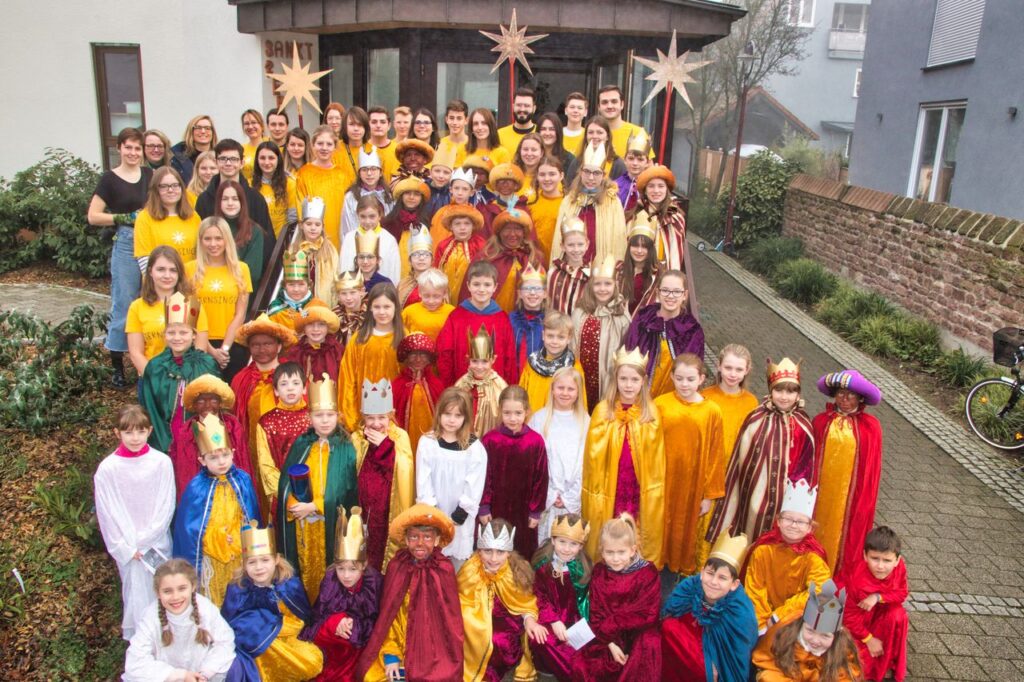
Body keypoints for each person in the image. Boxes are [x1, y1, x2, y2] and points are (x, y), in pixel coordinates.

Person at [707, 358, 817, 546]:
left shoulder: (803, 423)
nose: (784, 397)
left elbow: (806, 465)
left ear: (798, 394)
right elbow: (741, 460)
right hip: (753, 494)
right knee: (750, 531)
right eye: (779, 390)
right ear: (770, 390)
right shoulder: (756, 418)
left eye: (791, 391)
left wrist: (793, 495)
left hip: (786, 498)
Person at [355, 504, 464, 681]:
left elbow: (450, 623)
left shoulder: (444, 569)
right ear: (406, 540)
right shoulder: (397, 566)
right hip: (399, 644)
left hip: (435, 651)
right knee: (371, 676)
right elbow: (389, 617)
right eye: (414, 537)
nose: (420, 543)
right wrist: (391, 656)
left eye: (427, 537)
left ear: (437, 540)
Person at [94, 404, 175, 640]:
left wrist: (147, 539)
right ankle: (143, 645)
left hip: (157, 543)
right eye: (128, 432)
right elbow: (107, 512)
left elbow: (166, 503)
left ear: (150, 431)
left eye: (140, 431)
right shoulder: (108, 469)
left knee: (165, 591)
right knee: (137, 597)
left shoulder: (161, 462)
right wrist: (128, 547)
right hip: (129, 549)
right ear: (117, 433)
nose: (135, 438)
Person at [278, 373, 359, 603]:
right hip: (304, 526)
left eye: (329, 415)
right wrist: (295, 506)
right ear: (309, 417)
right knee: (305, 566)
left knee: (328, 565)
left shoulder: (346, 447)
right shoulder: (302, 444)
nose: (324, 421)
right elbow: (285, 485)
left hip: (330, 522)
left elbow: (346, 489)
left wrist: (315, 505)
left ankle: (330, 607)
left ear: (338, 416)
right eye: (319, 415)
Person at [581, 347, 666, 566]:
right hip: (610, 484)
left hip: (636, 487)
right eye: (623, 379)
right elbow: (593, 456)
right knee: (610, 527)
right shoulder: (603, 410)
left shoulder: (650, 413)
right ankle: (605, 567)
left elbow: (655, 460)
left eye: (634, 379)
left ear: (643, 381)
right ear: (615, 379)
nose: (629, 385)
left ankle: (634, 569)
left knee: (633, 529)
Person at [87, 127, 153, 388]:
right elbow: (93, 216)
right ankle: (117, 365)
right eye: (129, 147)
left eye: (138, 148)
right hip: (126, 240)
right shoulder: (110, 179)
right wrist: (123, 217)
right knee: (124, 301)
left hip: (150, 239)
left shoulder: (148, 175)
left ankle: (147, 359)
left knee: (152, 299)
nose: (133, 153)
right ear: (119, 148)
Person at [172, 412, 261, 606]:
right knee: (216, 599)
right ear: (202, 460)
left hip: (240, 554)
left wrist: (240, 535)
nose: (221, 462)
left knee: (242, 597)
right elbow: (189, 531)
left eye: (225, 455)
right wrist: (216, 537)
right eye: (213, 457)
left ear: (233, 453)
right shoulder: (196, 488)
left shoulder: (243, 480)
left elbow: (252, 517)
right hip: (211, 560)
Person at [654, 353, 726, 576]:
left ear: (702, 379)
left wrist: (709, 495)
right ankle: (656, 562)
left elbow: (715, 453)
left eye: (690, 379)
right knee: (660, 522)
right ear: (672, 377)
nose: (684, 384)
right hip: (663, 479)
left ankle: (677, 569)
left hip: (692, 483)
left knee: (684, 527)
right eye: (679, 378)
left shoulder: (712, 411)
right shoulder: (661, 404)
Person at [222, 523, 324, 680]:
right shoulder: (238, 589)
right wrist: (259, 626)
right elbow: (228, 625)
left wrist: (273, 629)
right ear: (243, 564)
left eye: (265, 560)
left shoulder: (289, 585)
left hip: (285, 642)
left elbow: (301, 620)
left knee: (313, 661)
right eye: (252, 562)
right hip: (251, 647)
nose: (259, 567)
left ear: (276, 559)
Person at [570, 513, 661, 681]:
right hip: (606, 635)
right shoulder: (600, 572)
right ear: (602, 551)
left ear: (632, 550)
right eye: (610, 552)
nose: (615, 558)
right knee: (584, 665)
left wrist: (614, 622)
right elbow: (596, 613)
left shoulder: (647, 573)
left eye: (621, 552)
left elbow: (648, 614)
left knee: (647, 648)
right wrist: (611, 644)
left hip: (637, 633)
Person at [660, 532, 758, 682]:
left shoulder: (741, 612)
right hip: (689, 640)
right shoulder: (690, 586)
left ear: (734, 584)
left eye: (722, 578)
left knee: (703, 672)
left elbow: (736, 656)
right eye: (710, 573)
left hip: (713, 658)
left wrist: (715, 663)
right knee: (667, 628)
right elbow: (670, 611)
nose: (713, 582)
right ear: (701, 573)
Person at [813, 369, 885, 576]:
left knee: (848, 534)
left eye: (851, 394)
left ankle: (841, 575)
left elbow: (871, 471)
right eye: (840, 393)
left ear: (860, 398)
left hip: (851, 497)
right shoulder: (821, 421)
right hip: (822, 494)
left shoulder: (871, 427)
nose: (845, 399)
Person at [299, 508, 384, 681]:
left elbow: (379, 624)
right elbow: (317, 618)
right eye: (340, 568)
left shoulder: (374, 583)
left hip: (360, 646)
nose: (346, 576)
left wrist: (353, 624)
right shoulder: (330, 580)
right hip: (331, 647)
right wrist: (335, 622)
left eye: (353, 569)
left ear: (364, 565)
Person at [459, 519, 547, 681]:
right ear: (479, 550)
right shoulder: (470, 569)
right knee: (472, 636)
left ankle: (492, 670)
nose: (493, 558)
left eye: (500, 552)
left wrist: (529, 620)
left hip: (507, 620)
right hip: (475, 621)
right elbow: (461, 599)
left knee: (498, 640)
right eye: (487, 551)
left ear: (508, 552)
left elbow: (525, 602)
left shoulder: (515, 572)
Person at [122, 559, 236, 681]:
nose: (175, 597)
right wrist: (179, 675)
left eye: (182, 589)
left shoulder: (205, 608)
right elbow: (135, 661)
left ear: (193, 586)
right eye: (167, 591)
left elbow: (225, 642)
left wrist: (205, 673)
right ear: (158, 593)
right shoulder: (151, 617)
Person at [744, 478, 831, 635]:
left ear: (810, 528)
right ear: (778, 521)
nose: (793, 525)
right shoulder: (763, 550)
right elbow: (754, 588)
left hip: (796, 620)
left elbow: (820, 591)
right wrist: (761, 624)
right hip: (760, 620)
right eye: (788, 519)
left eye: (801, 522)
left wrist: (780, 615)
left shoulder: (813, 557)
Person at [415, 389, 489, 568]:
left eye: (458, 415)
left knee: (457, 565)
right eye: (447, 414)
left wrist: (460, 513)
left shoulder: (474, 448)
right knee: (432, 561)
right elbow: (423, 480)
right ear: (439, 413)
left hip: (459, 518)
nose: (452, 420)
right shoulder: (428, 443)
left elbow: (474, 484)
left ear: (466, 418)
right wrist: (433, 513)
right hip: (434, 514)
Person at [138, 292, 219, 452]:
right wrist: (162, 441)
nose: (177, 338)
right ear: (164, 334)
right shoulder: (155, 367)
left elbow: (216, 404)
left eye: (183, 332)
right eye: (171, 333)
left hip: (198, 436)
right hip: (166, 435)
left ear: (194, 335)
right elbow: (150, 408)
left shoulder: (207, 364)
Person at [352, 378, 416, 572]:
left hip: (387, 509)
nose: (376, 423)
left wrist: (385, 446)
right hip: (363, 510)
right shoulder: (357, 438)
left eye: (382, 418)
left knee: (383, 554)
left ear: (391, 415)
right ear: (363, 417)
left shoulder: (400, 436)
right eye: (370, 418)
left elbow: (405, 469)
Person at [478, 386, 549, 559]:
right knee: (495, 549)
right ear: (500, 411)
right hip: (495, 508)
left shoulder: (535, 441)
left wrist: (535, 511)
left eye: (518, 413)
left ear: (527, 412)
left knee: (521, 552)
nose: (512, 418)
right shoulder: (490, 440)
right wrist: (484, 506)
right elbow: (483, 477)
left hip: (524, 512)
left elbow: (541, 478)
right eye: (507, 413)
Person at [836, 527, 908, 682]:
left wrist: (877, 597)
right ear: (865, 556)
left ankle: (889, 660)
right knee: (859, 665)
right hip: (855, 621)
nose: (880, 566)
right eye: (875, 558)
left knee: (898, 615)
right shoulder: (857, 581)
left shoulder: (899, 567)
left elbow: (902, 593)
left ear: (897, 560)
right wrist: (868, 639)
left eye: (887, 560)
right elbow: (849, 617)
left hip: (877, 611)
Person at [752, 580, 862, 682]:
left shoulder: (843, 647)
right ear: (802, 624)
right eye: (810, 631)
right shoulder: (784, 632)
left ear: (836, 635)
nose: (815, 640)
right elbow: (765, 662)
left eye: (825, 636)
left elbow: (847, 677)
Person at [186, 217, 253, 381]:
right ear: (200, 241)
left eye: (218, 238)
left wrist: (225, 348)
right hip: (199, 343)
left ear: (227, 239)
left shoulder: (242, 269)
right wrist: (211, 351)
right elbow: (190, 314)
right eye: (207, 238)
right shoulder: (190, 269)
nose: (213, 244)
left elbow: (240, 313)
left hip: (232, 343)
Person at [126, 246, 209, 377]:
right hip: (151, 378)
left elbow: (200, 349)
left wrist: (180, 377)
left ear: (179, 273)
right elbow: (136, 353)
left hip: (186, 377)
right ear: (150, 271)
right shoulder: (137, 307)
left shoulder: (193, 305)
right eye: (161, 269)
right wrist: (157, 378)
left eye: (173, 270)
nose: (167, 275)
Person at [527, 367, 589, 543]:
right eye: (560, 388)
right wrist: (551, 494)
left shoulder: (586, 421)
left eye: (571, 389)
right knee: (544, 546)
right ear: (552, 389)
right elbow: (533, 462)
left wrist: (569, 496)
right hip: (546, 495)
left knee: (567, 545)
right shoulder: (539, 419)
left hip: (572, 496)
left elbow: (586, 463)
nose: (565, 393)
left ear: (578, 392)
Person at [169, 373, 253, 501]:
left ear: (220, 403)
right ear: (194, 405)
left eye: (213, 400)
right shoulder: (186, 431)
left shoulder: (232, 426)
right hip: (201, 495)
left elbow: (242, 459)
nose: (208, 406)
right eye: (201, 401)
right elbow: (184, 469)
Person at [528, 515, 592, 681]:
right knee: (540, 638)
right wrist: (554, 620)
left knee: (586, 649)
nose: (567, 549)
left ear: (581, 546)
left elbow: (586, 601)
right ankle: (574, 674)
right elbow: (539, 596)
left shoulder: (582, 568)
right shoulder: (543, 566)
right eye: (562, 542)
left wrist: (580, 628)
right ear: (553, 540)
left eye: (573, 544)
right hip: (549, 621)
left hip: (575, 621)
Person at [230, 313, 298, 468]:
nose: (261, 349)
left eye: (268, 344)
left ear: (279, 346)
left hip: (287, 450)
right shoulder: (241, 379)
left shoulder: (293, 376)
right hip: (252, 452)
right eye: (255, 345)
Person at [623, 270, 704, 397]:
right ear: (658, 293)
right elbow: (629, 356)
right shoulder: (643, 319)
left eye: (677, 291)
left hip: (673, 399)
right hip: (639, 397)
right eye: (665, 290)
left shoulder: (692, 330)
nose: (670, 296)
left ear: (685, 295)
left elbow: (694, 371)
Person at [436, 260, 518, 386]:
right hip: (463, 386)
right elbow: (445, 352)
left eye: (487, 285)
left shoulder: (502, 319)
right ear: (468, 285)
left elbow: (509, 356)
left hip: (494, 388)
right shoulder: (456, 317)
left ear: (495, 287)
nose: (481, 289)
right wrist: (450, 386)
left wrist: (506, 387)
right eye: (476, 284)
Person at [550, 140, 626, 269]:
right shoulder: (569, 200)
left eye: (596, 173)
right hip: (572, 266)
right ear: (580, 172)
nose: (591, 178)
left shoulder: (613, 202)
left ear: (603, 175)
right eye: (586, 172)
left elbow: (618, 240)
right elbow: (558, 239)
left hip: (600, 269)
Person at [571, 256, 630, 415]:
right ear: (591, 285)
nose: (602, 289)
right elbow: (571, 345)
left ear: (615, 285)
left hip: (607, 379)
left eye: (607, 284)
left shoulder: (621, 317)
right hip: (582, 376)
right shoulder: (579, 312)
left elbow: (624, 351)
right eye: (597, 284)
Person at [338, 280, 402, 425]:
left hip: (394, 414)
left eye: (387, 307)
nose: (382, 312)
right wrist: (351, 419)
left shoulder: (403, 338)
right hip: (364, 416)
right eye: (377, 307)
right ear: (370, 308)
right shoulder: (359, 339)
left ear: (395, 307)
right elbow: (347, 379)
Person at [194, 139, 274, 252]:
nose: (228, 163)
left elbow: (267, 240)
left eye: (233, 159)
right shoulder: (204, 200)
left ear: (242, 163)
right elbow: (199, 237)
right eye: (223, 159)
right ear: (216, 162)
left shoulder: (255, 198)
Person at [253, 362, 311, 510]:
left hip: (315, 494)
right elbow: (266, 465)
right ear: (276, 391)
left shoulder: (314, 417)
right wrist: (287, 494)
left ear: (304, 388)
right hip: (283, 496)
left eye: (296, 383)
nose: (290, 388)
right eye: (284, 384)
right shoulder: (266, 422)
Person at [519, 311, 586, 413]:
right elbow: (521, 397)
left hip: (561, 420)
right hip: (532, 419)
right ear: (543, 335)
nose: (555, 342)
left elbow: (581, 402)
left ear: (569, 338)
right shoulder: (532, 363)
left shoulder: (574, 367)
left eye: (561, 337)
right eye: (550, 336)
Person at [478, 208, 543, 313]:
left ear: (524, 232)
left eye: (517, 229)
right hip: (491, 317)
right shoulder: (486, 257)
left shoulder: (534, 258)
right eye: (507, 229)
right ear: (499, 232)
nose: (512, 234)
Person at [134, 166, 199, 269]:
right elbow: (144, 257)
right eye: (164, 186)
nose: (170, 190)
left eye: (175, 185)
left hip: (191, 276)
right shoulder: (144, 217)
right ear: (155, 189)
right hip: (161, 277)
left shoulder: (193, 216)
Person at [297, 125, 351, 248]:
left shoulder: (342, 175)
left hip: (337, 233)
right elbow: (300, 205)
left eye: (329, 144)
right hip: (312, 233)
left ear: (335, 147)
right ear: (313, 145)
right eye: (320, 143)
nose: (324, 148)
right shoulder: (304, 173)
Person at [392, 332, 445, 455]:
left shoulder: (437, 385)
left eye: (422, 354)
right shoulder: (397, 386)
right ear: (406, 357)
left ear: (429, 358)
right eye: (413, 354)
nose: (418, 359)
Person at [455, 325, 510, 436]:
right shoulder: (461, 384)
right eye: (475, 361)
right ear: (468, 359)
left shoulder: (500, 386)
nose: (479, 367)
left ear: (493, 359)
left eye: (484, 361)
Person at [213, 179, 265, 287]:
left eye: (235, 199)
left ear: (242, 202)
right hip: (213, 288)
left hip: (242, 290)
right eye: (225, 199)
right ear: (219, 202)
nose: (230, 203)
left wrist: (220, 271)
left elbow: (253, 273)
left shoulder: (254, 231)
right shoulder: (210, 229)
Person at [340, 195, 402, 286]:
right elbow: (344, 268)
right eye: (363, 216)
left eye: (372, 216)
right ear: (357, 216)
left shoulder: (389, 240)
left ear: (380, 216)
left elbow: (393, 272)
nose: (367, 221)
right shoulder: (349, 238)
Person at [290, 196, 341, 304]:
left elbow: (336, 279)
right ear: (301, 225)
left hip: (323, 304)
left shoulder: (330, 250)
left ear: (322, 227)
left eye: (317, 224)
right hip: (300, 304)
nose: (313, 228)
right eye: (308, 224)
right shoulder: (294, 249)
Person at [433, 203, 486, 304]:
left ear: (473, 226)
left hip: (472, 297)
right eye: (457, 224)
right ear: (451, 226)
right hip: (446, 296)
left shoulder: (481, 245)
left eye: (467, 224)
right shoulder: (443, 246)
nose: (462, 228)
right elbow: (436, 272)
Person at [266, 249, 329, 332]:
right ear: (284, 286)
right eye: (291, 284)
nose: (296, 289)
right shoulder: (276, 309)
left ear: (309, 285)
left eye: (301, 284)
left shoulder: (318, 306)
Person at [342, 147, 395, 240]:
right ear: (359, 173)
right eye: (364, 169)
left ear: (380, 172)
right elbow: (348, 226)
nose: (369, 173)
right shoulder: (351, 197)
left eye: (373, 169)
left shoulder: (388, 195)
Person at [281, 304, 343, 382]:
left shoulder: (337, 350)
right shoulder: (295, 352)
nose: (315, 329)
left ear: (328, 327)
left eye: (321, 324)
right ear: (304, 327)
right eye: (310, 324)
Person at [383, 176, 432, 274]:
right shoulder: (388, 222)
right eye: (407, 193)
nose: (411, 197)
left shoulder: (427, 220)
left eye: (416, 194)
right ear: (401, 196)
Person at [252, 140, 297, 236]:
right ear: (257, 160)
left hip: (282, 240)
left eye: (271, 158)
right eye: (262, 158)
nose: (266, 162)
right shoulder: (249, 183)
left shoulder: (290, 183)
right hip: (258, 238)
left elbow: (293, 218)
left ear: (278, 160)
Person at [546, 215, 589, 315]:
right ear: (562, 246)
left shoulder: (590, 275)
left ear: (587, 245)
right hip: (556, 323)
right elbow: (549, 304)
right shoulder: (553, 273)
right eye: (570, 245)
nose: (576, 250)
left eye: (580, 244)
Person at [617, 219, 662, 315]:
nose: (639, 251)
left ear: (651, 249)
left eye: (644, 247)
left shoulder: (658, 274)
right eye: (635, 246)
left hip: (644, 321)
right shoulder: (618, 269)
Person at [564, 117, 627, 183]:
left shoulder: (618, 164)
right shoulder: (577, 162)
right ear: (586, 136)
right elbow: (569, 187)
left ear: (607, 136)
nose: (594, 136)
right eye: (591, 132)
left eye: (599, 132)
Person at [510, 262, 548, 369]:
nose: (532, 292)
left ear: (545, 293)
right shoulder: (511, 320)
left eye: (537, 288)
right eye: (527, 288)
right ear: (519, 293)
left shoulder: (549, 322)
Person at [596, 85, 651, 161]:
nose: (609, 106)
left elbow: (648, 166)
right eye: (604, 102)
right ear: (598, 107)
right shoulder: (591, 133)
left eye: (614, 101)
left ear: (622, 104)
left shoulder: (637, 133)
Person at [529, 156, 566, 264]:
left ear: (561, 176)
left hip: (561, 263)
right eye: (542, 174)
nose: (546, 179)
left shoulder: (568, 204)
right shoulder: (530, 203)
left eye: (552, 174)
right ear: (537, 176)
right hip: (536, 264)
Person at [401, 267, 454, 339]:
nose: (431, 301)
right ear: (420, 292)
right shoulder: (409, 311)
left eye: (436, 296)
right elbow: (400, 329)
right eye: (426, 296)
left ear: (444, 293)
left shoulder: (452, 312)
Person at [171, 114, 218, 185]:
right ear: (191, 131)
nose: (203, 131)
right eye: (198, 128)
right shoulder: (177, 156)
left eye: (207, 128)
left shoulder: (220, 155)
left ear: (213, 132)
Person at [335, 106, 374, 189]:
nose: (356, 129)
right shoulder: (335, 150)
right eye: (351, 124)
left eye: (360, 125)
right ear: (345, 126)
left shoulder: (374, 151)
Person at [614, 131, 651, 215]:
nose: (635, 163)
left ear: (647, 162)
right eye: (631, 158)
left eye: (640, 159)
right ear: (624, 160)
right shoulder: (615, 186)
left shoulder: (652, 186)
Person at [537, 113, 577, 189]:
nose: (547, 133)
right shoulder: (533, 157)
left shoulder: (570, 160)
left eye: (552, 129)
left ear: (558, 132)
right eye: (543, 129)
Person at [396, 226, 434, 306]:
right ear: (410, 260)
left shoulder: (439, 283)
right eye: (416, 254)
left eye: (426, 254)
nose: (421, 258)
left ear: (432, 260)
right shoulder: (403, 284)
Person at [499, 87, 538, 155]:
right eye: (519, 105)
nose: (522, 109)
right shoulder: (499, 135)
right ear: (513, 106)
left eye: (526, 106)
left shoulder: (540, 133)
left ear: (534, 109)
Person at [332, 270, 367, 348]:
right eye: (343, 293)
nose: (348, 298)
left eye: (352, 292)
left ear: (362, 291)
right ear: (338, 295)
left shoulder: (370, 315)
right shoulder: (334, 316)